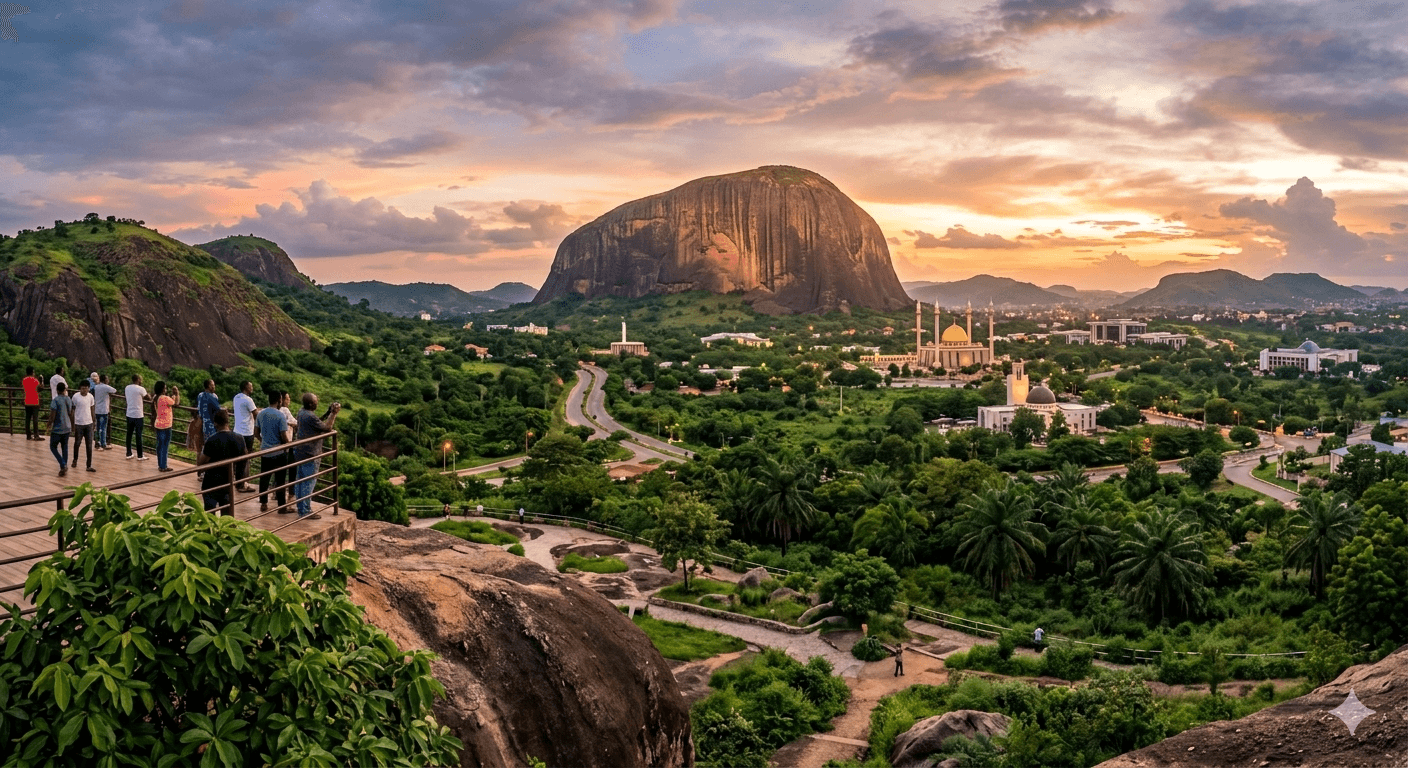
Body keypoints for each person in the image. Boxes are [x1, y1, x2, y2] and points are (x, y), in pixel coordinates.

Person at [292, 393, 340, 519]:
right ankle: (305, 511)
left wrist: (327, 412)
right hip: (310, 453)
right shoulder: (310, 416)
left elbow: (317, 422)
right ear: (311, 404)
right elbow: (327, 428)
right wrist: (333, 414)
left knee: (300, 481)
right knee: (308, 482)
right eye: (315, 402)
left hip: (300, 452)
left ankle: (301, 508)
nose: (317, 403)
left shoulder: (302, 412)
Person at [197, 408, 245, 516]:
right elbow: (244, 458)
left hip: (211, 482)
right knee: (227, 514)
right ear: (228, 422)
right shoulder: (239, 439)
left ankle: (210, 531)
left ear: (215, 423)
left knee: (209, 514)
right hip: (227, 481)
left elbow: (201, 462)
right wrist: (239, 478)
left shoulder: (212, 440)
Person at [254, 390, 291, 512]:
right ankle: (281, 506)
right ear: (279, 400)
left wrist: (264, 441)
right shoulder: (280, 415)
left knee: (264, 477)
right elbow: (283, 436)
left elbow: (256, 433)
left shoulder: (261, 414)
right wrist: (288, 445)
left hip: (265, 451)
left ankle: (263, 503)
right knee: (280, 480)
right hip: (279, 452)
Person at [232, 380, 258, 492]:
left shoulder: (236, 397)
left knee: (238, 459)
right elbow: (256, 414)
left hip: (237, 430)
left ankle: (238, 482)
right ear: (246, 387)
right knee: (244, 459)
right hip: (247, 432)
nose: (252, 388)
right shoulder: (249, 400)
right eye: (251, 386)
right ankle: (241, 485)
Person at [153, 381, 180, 472]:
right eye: (165, 388)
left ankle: (160, 465)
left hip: (158, 424)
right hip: (166, 425)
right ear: (162, 389)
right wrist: (176, 393)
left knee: (159, 446)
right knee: (165, 446)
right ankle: (163, 466)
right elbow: (176, 403)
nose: (166, 389)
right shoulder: (164, 398)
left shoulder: (156, 398)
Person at [70, 379, 96, 473]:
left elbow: (92, 409)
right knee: (77, 443)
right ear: (80, 388)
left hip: (88, 423)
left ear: (88, 389)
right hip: (78, 423)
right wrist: (72, 424)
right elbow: (72, 411)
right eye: (82, 388)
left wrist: (93, 421)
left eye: (86, 388)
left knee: (89, 445)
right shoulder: (75, 397)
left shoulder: (91, 397)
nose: (84, 390)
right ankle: (75, 459)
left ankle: (88, 465)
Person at [47, 382, 73, 477]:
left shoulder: (55, 400)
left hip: (58, 428)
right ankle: (64, 466)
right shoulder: (68, 399)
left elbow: (53, 414)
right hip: (67, 426)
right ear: (64, 390)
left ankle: (62, 464)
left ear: (57, 390)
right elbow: (70, 412)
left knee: (53, 446)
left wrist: (49, 424)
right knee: (64, 447)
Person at [123, 374, 149, 460]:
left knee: (129, 434)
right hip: (138, 414)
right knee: (138, 435)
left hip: (129, 413)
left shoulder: (127, 387)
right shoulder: (141, 389)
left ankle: (128, 453)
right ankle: (140, 455)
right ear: (138, 379)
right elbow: (148, 398)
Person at [92, 374, 117, 450]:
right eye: (107, 379)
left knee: (97, 427)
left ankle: (97, 443)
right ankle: (103, 444)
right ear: (105, 380)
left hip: (97, 409)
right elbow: (114, 390)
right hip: (104, 410)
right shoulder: (106, 387)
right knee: (103, 428)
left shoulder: (96, 387)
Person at [21, 367, 41, 440]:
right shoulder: (35, 380)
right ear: (32, 372)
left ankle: (28, 435)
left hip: (27, 400)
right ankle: (36, 435)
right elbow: (40, 388)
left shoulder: (24, 380)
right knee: (35, 419)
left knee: (27, 419)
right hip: (35, 401)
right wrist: (41, 381)